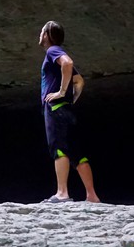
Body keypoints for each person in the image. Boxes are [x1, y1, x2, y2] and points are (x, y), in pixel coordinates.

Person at [38, 21, 100, 203]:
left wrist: (61, 93)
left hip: (55, 109)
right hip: (66, 110)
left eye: (42, 31)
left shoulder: (53, 51)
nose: (39, 34)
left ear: (47, 35)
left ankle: (62, 193)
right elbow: (79, 81)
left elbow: (67, 63)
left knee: (58, 148)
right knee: (77, 152)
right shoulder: (55, 54)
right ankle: (92, 195)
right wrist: (69, 100)